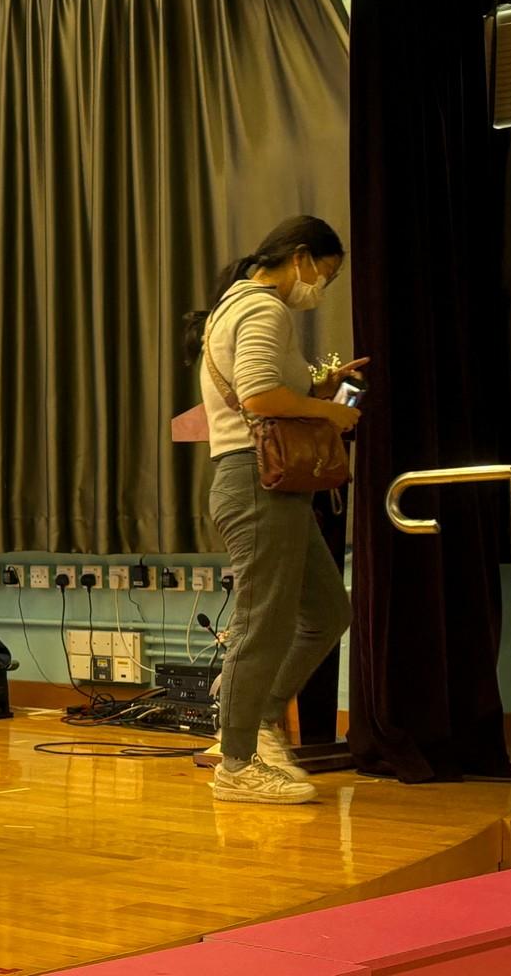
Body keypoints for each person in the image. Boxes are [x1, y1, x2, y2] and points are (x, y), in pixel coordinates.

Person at [185, 215, 365, 805]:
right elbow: (260, 396)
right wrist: (331, 412)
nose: (320, 289)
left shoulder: (235, 306)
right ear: (300, 257)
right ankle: (236, 764)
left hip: (265, 484)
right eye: (324, 275)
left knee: (326, 610)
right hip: (256, 481)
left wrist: (319, 389)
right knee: (261, 623)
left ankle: (256, 716)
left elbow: (263, 392)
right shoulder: (264, 308)